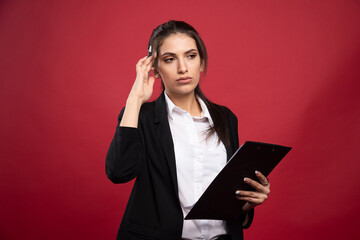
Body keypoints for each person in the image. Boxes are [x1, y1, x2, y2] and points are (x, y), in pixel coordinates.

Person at [106, 20, 270, 240]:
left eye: (191, 56)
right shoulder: (141, 116)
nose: (182, 68)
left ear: (201, 62)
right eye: (170, 59)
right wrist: (135, 99)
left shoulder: (225, 118)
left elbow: (226, 200)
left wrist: (247, 204)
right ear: (154, 68)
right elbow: (118, 172)